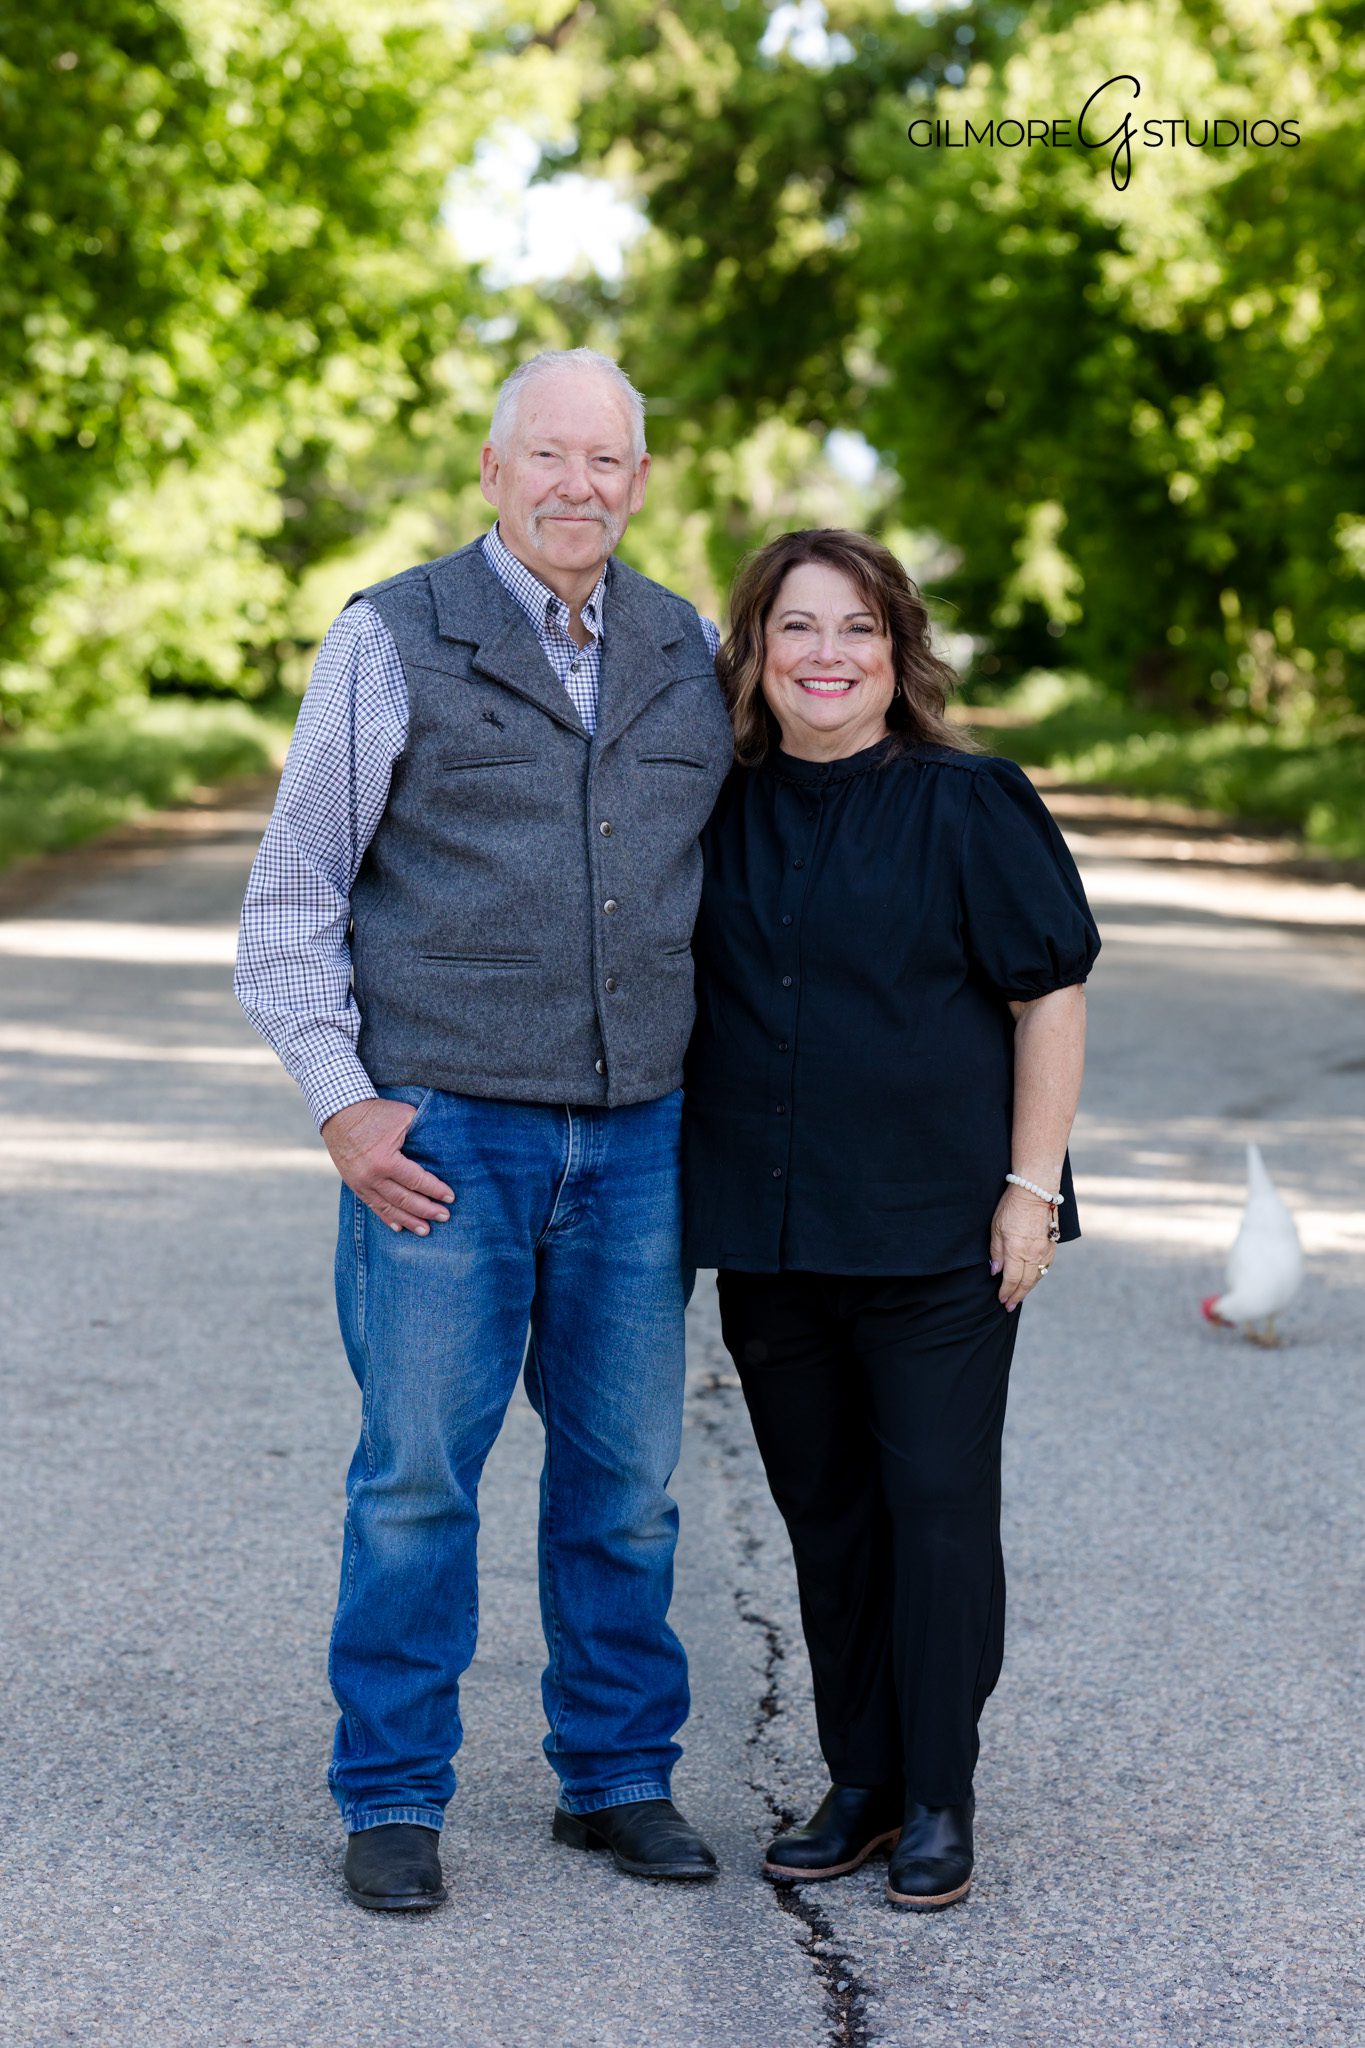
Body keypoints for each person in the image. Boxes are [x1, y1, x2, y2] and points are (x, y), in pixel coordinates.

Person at [235, 349, 734, 1909]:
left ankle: (615, 1777)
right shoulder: (389, 637)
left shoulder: (683, 646)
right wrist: (341, 1101)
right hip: (443, 1133)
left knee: (626, 1483)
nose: (578, 485)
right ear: (491, 469)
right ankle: (390, 1794)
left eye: (608, 461)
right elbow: (293, 900)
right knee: (415, 1479)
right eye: (549, 456)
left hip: (640, 1138)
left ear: (641, 483)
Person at [681, 529, 1101, 1911]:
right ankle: (857, 1780)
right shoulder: (716, 804)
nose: (825, 656)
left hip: (938, 1235)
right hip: (775, 1236)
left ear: (896, 650)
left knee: (931, 1514)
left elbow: (1048, 994)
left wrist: (1028, 1191)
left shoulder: (969, 800)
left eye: (855, 629)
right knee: (826, 1518)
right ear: (752, 650)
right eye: (794, 628)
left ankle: (936, 1795)